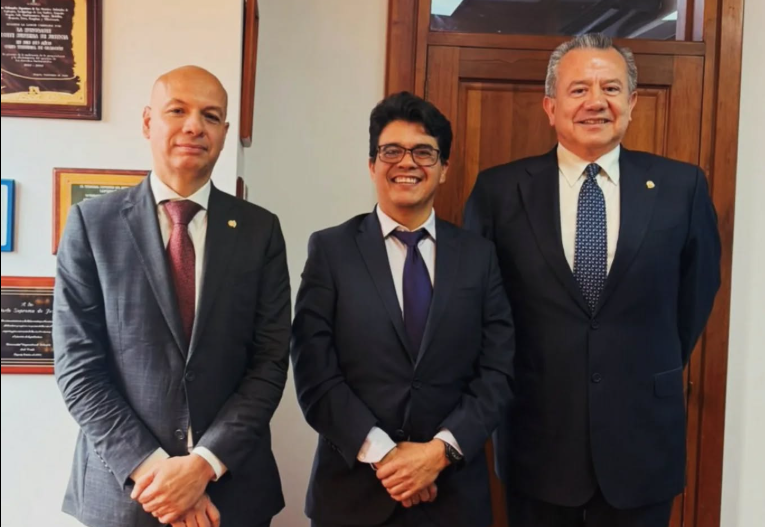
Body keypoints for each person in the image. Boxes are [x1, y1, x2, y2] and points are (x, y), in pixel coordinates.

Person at [464, 34, 722, 527]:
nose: (596, 102)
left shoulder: (680, 187)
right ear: (550, 105)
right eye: (579, 89)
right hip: (537, 439)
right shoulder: (498, 192)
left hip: (643, 442)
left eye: (611, 88)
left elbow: (694, 298)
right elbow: (480, 312)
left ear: (632, 103)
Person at [53, 65, 291, 527]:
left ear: (224, 132)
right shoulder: (91, 225)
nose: (193, 126)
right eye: (177, 110)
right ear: (147, 122)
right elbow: (78, 368)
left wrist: (202, 464)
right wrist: (162, 475)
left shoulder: (261, 231)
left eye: (210, 115)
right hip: (125, 494)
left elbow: (269, 362)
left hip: (233, 493)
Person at [291, 91, 515, 527]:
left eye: (424, 153)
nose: (407, 163)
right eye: (391, 151)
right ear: (372, 164)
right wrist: (388, 458)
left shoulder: (479, 256)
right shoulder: (331, 251)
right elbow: (315, 373)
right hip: (352, 495)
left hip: (453, 496)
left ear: (444, 169)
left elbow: (499, 371)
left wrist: (438, 453)